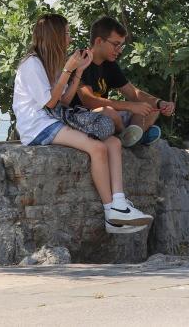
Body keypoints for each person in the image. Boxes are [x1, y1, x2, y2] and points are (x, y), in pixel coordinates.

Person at [12, 14, 154, 234]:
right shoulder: (32, 64)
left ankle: (119, 204)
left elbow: (65, 100)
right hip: (38, 126)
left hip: (56, 117)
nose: (69, 39)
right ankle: (111, 213)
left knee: (113, 143)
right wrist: (68, 69)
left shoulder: (53, 63)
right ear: (54, 36)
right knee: (97, 148)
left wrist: (78, 71)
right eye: (66, 33)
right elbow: (49, 102)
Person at [73, 16, 175, 147]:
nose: (120, 50)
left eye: (121, 45)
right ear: (99, 41)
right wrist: (129, 106)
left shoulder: (110, 63)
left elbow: (133, 93)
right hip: (82, 116)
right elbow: (89, 101)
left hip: (107, 118)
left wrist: (160, 103)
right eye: (116, 44)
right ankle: (131, 136)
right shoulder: (81, 59)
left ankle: (132, 136)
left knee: (151, 109)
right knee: (109, 112)